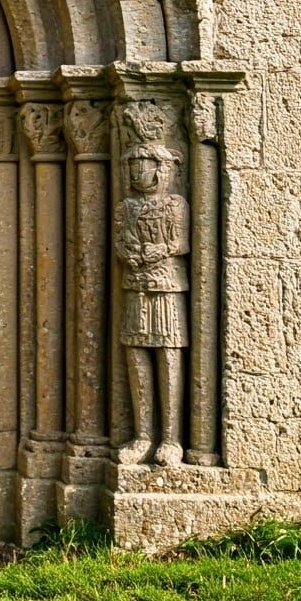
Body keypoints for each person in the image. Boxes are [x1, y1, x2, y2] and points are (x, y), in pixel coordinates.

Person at [114, 139, 189, 467]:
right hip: (135, 286)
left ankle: (171, 438)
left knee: (168, 354)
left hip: (168, 288)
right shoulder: (125, 207)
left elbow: (181, 242)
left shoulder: (175, 204)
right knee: (135, 354)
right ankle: (143, 435)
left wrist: (153, 251)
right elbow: (121, 239)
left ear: (162, 170)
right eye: (132, 166)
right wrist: (131, 252)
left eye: (143, 165)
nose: (136, 172)